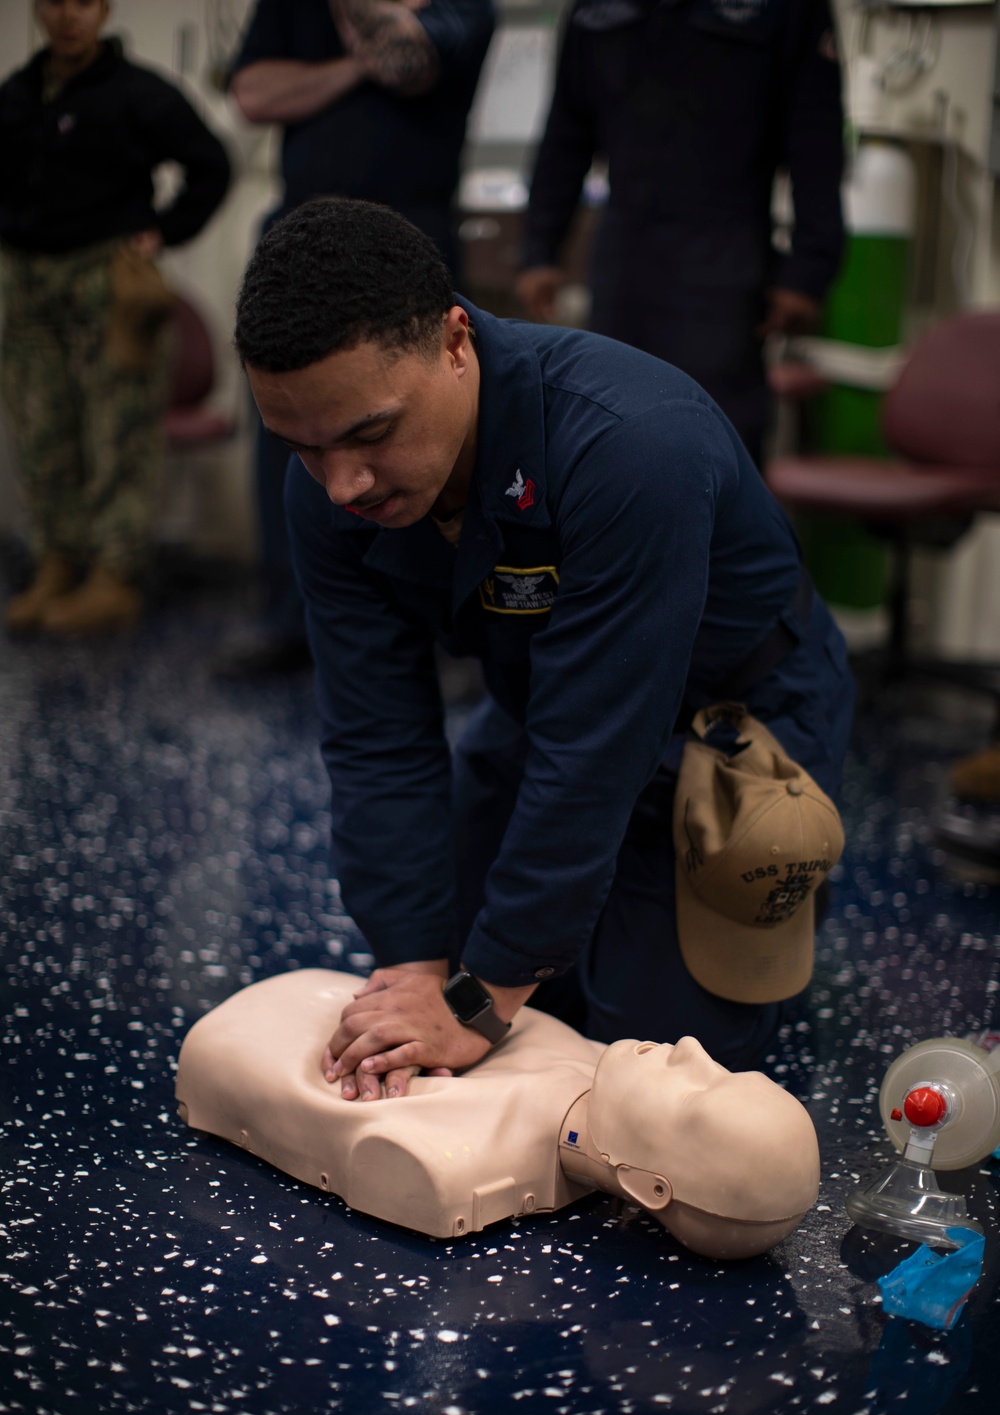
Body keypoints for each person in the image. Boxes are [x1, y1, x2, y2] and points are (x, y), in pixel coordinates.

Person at [233, 197, 855, 1100]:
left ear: (455, 343)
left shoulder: (632, 443)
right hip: (543, 702)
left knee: (644, 1071)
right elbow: (378, 736)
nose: (343, 487)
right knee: (463, 972)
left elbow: (595, 753)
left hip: (734, 723)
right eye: (300, 447)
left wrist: (482, 1004)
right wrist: (412, 964)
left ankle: (784, 891)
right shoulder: (329, 486)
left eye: (370, 435)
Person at [176, 967, 821, 1258]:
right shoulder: (613, 1065)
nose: (692, 1051)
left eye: (694, 1094)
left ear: (646, 1186)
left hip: (246, 1037)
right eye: (727, 1070)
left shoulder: (461, 1160)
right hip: (313, 1001)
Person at [219, 0, 495, 677]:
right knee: (290, 440)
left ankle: (447, 627)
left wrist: (321, 74)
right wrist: (354, 67)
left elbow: (408, 63)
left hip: (409, 232)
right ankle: (291, 615)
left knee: (422, 435)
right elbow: (253, 95)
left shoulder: (464, 7)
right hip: (299, 229)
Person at [515, 0, 845, 465]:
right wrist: (539, 248)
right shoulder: (597, 8)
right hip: (624, 256)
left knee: (715, 439)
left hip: (725, 258)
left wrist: (809, 269)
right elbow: (565, 134)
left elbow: (817, 141)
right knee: (613, 429)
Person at [0, 0, 231, 636]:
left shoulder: (139, 92)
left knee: (116, 432)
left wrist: (162, 231)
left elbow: (212, 166)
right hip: (27, 281)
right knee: (41, 430)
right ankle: (57, 562)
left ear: (102, 11)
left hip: (107, 283)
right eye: (54, 4)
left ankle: (115, 575)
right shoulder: (17, 95)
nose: (68, 17)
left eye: (83, 3)